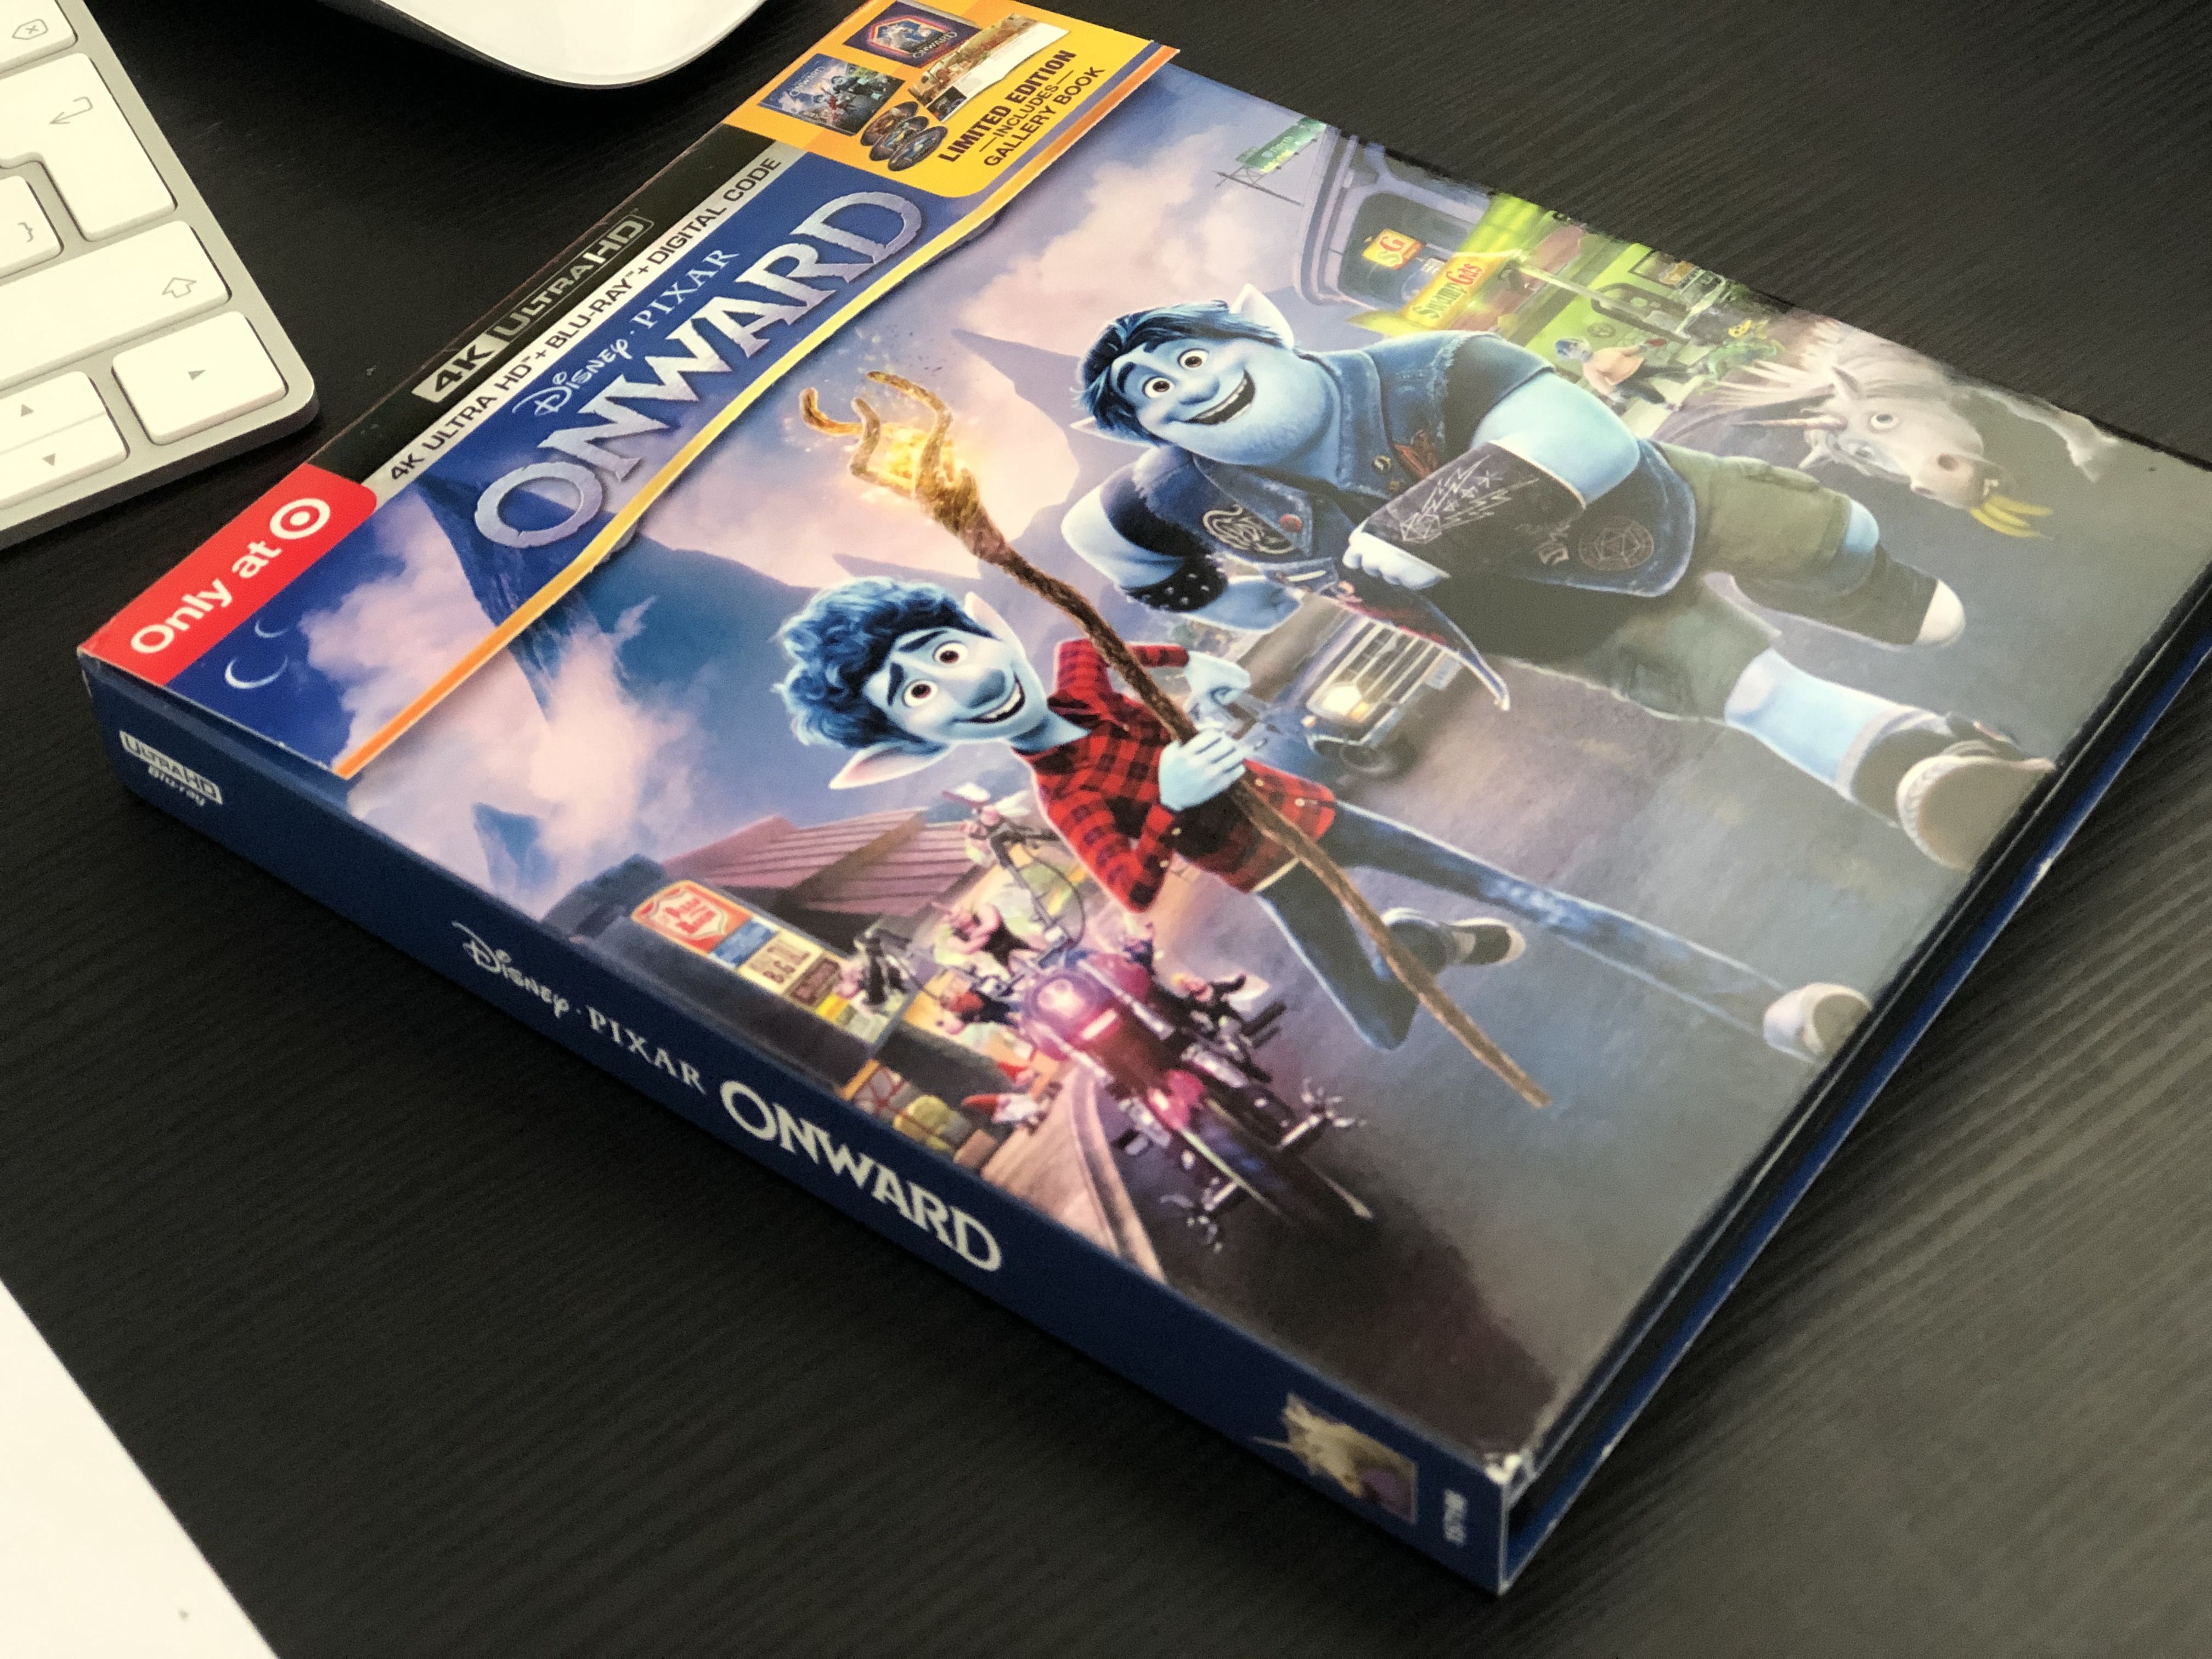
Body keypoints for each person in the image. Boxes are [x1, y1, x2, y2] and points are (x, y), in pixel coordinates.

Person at [1059, 288, 2051, 871]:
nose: (1186, 388)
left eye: (1190, 358)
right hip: (1533, 618)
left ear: (1258, 334)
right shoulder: (1172, 490)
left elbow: (1582, 439)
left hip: (1651, 510)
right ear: (1149, 432)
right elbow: (1100, 540)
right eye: (1156, 394)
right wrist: (1222, 600)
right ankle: (1920, 771)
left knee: (1828, 531)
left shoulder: (1437, 365)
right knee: (1743, 690)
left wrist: (1423, 527)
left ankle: (1853, 584)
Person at [772, 577, 1871, 1059]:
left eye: (948, 651)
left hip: (1319, 814)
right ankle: (1427, 950)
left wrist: (1206, 671)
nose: (964, 682)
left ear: (982, 628)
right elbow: (1133, 887)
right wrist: (1168, 804)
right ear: (909, 744)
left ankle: (1767, 1007)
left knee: (1539, 898)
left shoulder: (1076, 661)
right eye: (918, 693)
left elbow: (1155, 653)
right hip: (1273, 872)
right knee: (1384, 1027)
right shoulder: (1062, 794)